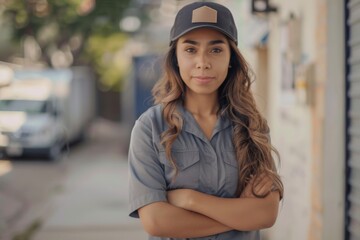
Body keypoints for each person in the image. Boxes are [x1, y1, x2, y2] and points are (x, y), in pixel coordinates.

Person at [128, 2, 284, 239]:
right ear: (176, 58)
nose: (203, 62)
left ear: (231, 57)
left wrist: (191, 200)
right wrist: (240, 217)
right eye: (191, 50)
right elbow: (156, 222)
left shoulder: (252, 125)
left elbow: (266, 213)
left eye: (216, 50)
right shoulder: (149, 128)